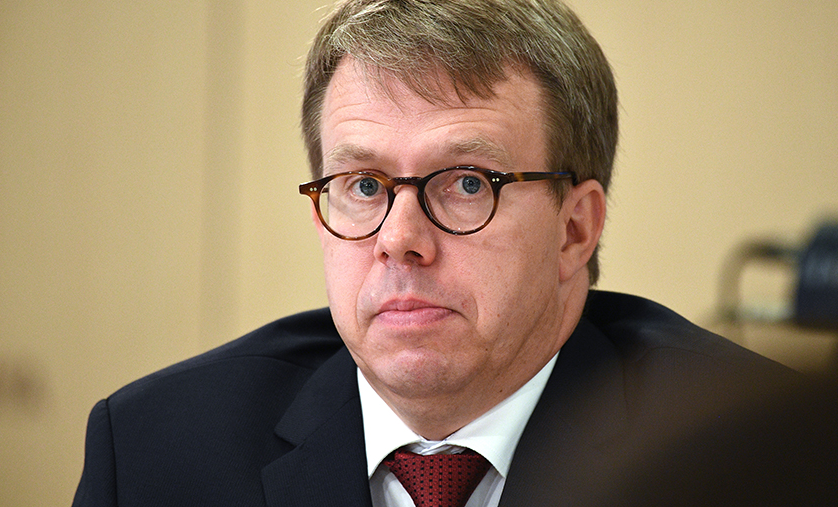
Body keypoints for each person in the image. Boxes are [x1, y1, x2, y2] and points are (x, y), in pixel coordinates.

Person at [72, 1, 794, 506]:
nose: (399, 239)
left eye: (467, 183)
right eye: (363, 185)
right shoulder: (151, 452)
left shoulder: (767, 461)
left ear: (575, 229)